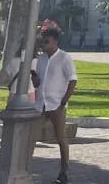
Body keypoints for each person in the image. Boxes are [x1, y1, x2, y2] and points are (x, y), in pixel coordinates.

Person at [30, 27, 76, 184]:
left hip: (57, 104)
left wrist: (63, 101)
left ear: (55, 42)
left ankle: (64, 171)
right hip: (40, 104)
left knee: (61, 138)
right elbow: (37, 83)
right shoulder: (41, 59)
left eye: (47, 41)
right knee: (31, 137)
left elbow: (72, 80)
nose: (43, 44)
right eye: (42, 41)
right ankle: (24, 168)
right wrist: (34, 75)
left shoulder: (64, 58)